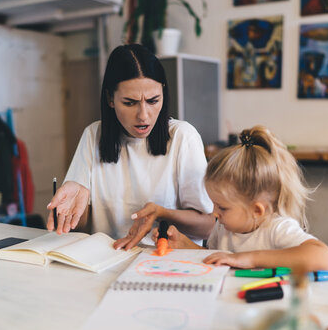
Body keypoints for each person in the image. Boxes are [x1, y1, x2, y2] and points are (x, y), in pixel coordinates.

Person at [46, 44, 214, 250]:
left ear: (163, 92)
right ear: (110, 99)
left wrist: (162, 213)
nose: (143, 115)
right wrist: (70, 209)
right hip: (108, 258)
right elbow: (81, 227)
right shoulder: (93, 135)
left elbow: (207, 228)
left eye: (153, 101)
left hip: (164, 261)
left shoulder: (182, 137)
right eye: (129, 102)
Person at [153, 125, 328, 272]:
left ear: (257, 210)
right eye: (214, 204)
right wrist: (186, 245)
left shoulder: (276, 228)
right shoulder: (223, 227)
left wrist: (248, 258)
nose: (214, 213)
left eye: (222, 207)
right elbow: (222, 260)